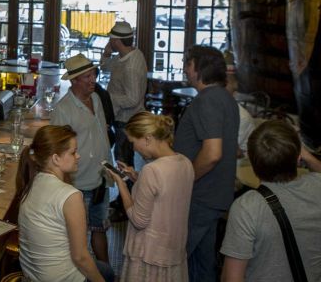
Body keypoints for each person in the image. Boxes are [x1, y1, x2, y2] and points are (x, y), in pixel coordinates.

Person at [220, 120, 321, 282]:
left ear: (252, 163)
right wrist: (307, 156)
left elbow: (232, 278)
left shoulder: (247, 207)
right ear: (298, 158)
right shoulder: (317, 186)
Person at [173, 45, 240, 282]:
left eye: (188, 64)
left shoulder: (208, 100)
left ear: (199, 68)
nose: (185, 69)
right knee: (202, 265)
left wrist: (183, 179)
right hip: (214, 195)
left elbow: (212, 153)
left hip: (200, 196)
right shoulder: (225, 97)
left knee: (175, 259)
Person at [17, 125, 114, 282]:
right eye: (73, 152)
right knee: (107, 273)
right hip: (60, 278)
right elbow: (80, 257)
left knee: (105, 269)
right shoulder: (70, 197)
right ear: (55, 159)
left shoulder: (32, 182)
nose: (78, 156)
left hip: (33, 274)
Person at [107, 112, 194, 282]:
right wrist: (136, 177)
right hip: (173, 249)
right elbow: (166, 192)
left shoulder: (152, 170)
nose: (133, 148)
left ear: (147, 139)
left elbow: (138, 220)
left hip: (150, 254)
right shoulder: (185, 163)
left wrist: (122, 185)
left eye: (133, 142)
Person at [51, 54, 112, 265]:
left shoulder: (96, 99)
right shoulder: (63, 110)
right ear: (74, 80)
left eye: (93, 74)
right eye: (86, 77)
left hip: (101, 179)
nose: (92, 80)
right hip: (78, 185)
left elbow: (102, 134)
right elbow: (57, 152)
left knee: (100, 228)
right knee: (77, 239)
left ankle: (106, 274)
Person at [100, 21, 148, 169]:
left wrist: (109, 98)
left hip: (126, 120)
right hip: (121, 117)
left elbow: (133, 99)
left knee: (123, 159)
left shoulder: (130, 66)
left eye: (111, 39)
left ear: (117, 41)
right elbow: (105, 67)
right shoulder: (128, 55)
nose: (109, 42)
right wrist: (106, 54)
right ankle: (126, 190)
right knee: (123, 157)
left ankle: (127, 191)